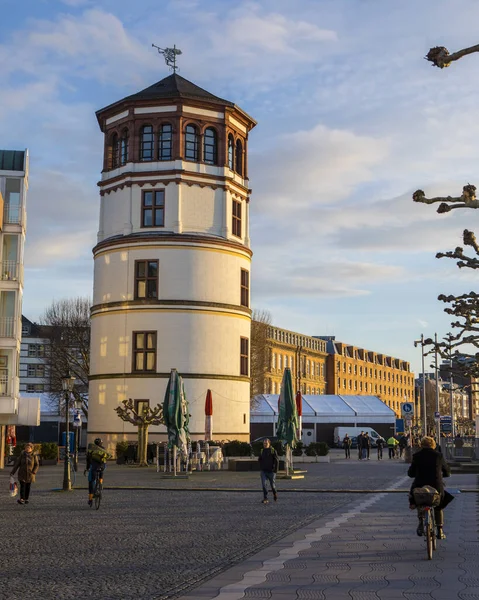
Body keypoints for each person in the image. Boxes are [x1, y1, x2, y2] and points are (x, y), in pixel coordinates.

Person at [408, 435, 452, 539]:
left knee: (417, 498)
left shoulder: (416, 456)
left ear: (421, 445)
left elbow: (410, 473)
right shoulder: (438, 456)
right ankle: (440, 530)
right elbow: (447, 471)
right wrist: (444, 474)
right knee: (439, 505)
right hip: (436, 485)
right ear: (433, 444)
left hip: (420, 485)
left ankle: (420, 522)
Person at [85, 438, 111, 507]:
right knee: (101, 471)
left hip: (93, 467)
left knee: (91, 482)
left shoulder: (90, 450)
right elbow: (106, 459)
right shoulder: (103, 450)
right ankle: (101, 483)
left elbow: (88, 460)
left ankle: (90, 499)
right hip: (102, 467)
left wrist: (87, 468)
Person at [258, 438, 278, 504]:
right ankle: (265, 498)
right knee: (264, 485)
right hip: (263, 471)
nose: (265, 445)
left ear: (269, 444)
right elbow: (259, 459)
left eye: (266, 443)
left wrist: (275, 470)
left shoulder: (273, 450)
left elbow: (277, 461)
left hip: (271, 471)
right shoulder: (261, 451)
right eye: (264, 443)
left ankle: (275, 494)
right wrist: (261, 467)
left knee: (272, 485)